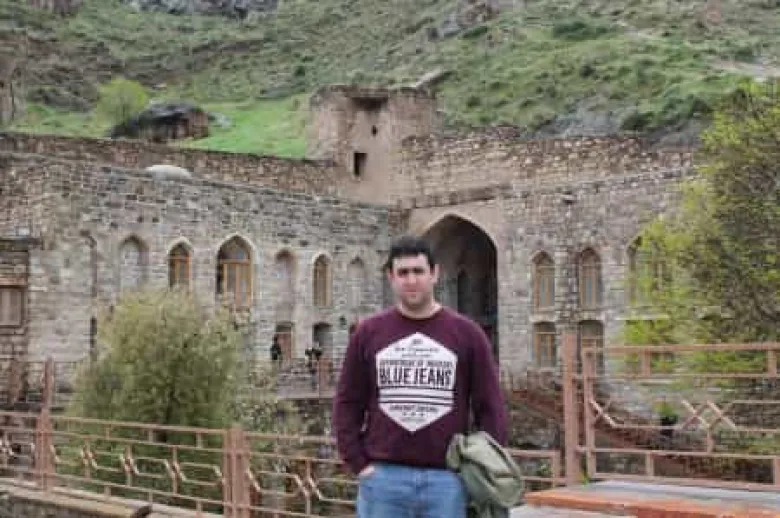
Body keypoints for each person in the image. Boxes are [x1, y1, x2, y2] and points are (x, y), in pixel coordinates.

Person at [332, 235, 508, 518]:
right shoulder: (369, 333)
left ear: (434, 274)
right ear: (391, 277)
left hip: (446, 479)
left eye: (418, 271)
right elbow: (348, 401)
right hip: (384, 478)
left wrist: (481, 468)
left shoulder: (467, 334)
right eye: (403, 273)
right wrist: (358, 462)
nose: (411, 280)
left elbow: (490, 406)